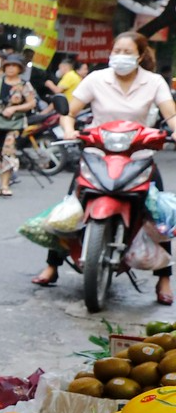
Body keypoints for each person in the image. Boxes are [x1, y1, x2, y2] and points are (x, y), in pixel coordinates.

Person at [34, 31, 176, 296]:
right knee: (71, 208)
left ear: (140, 55)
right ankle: (52, 265)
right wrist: (68, 128)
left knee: (158, 214)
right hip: (97, 154)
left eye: (126, 52)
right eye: (116, 51)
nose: (120, 56)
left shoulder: (154, 82)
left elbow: (171, 114)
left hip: (139, 156)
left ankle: (163, 278)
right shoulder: (97, 79)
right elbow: (70, 112)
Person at [0, 51, 37, 199]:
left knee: (8, 151)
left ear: (20, 68)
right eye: (8, 65)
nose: (10, 68)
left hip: (15, 123)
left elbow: (31, 103)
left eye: (14, 66)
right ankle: (1, 185)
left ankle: (5, 185)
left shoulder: (25, 85)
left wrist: (14, 108)